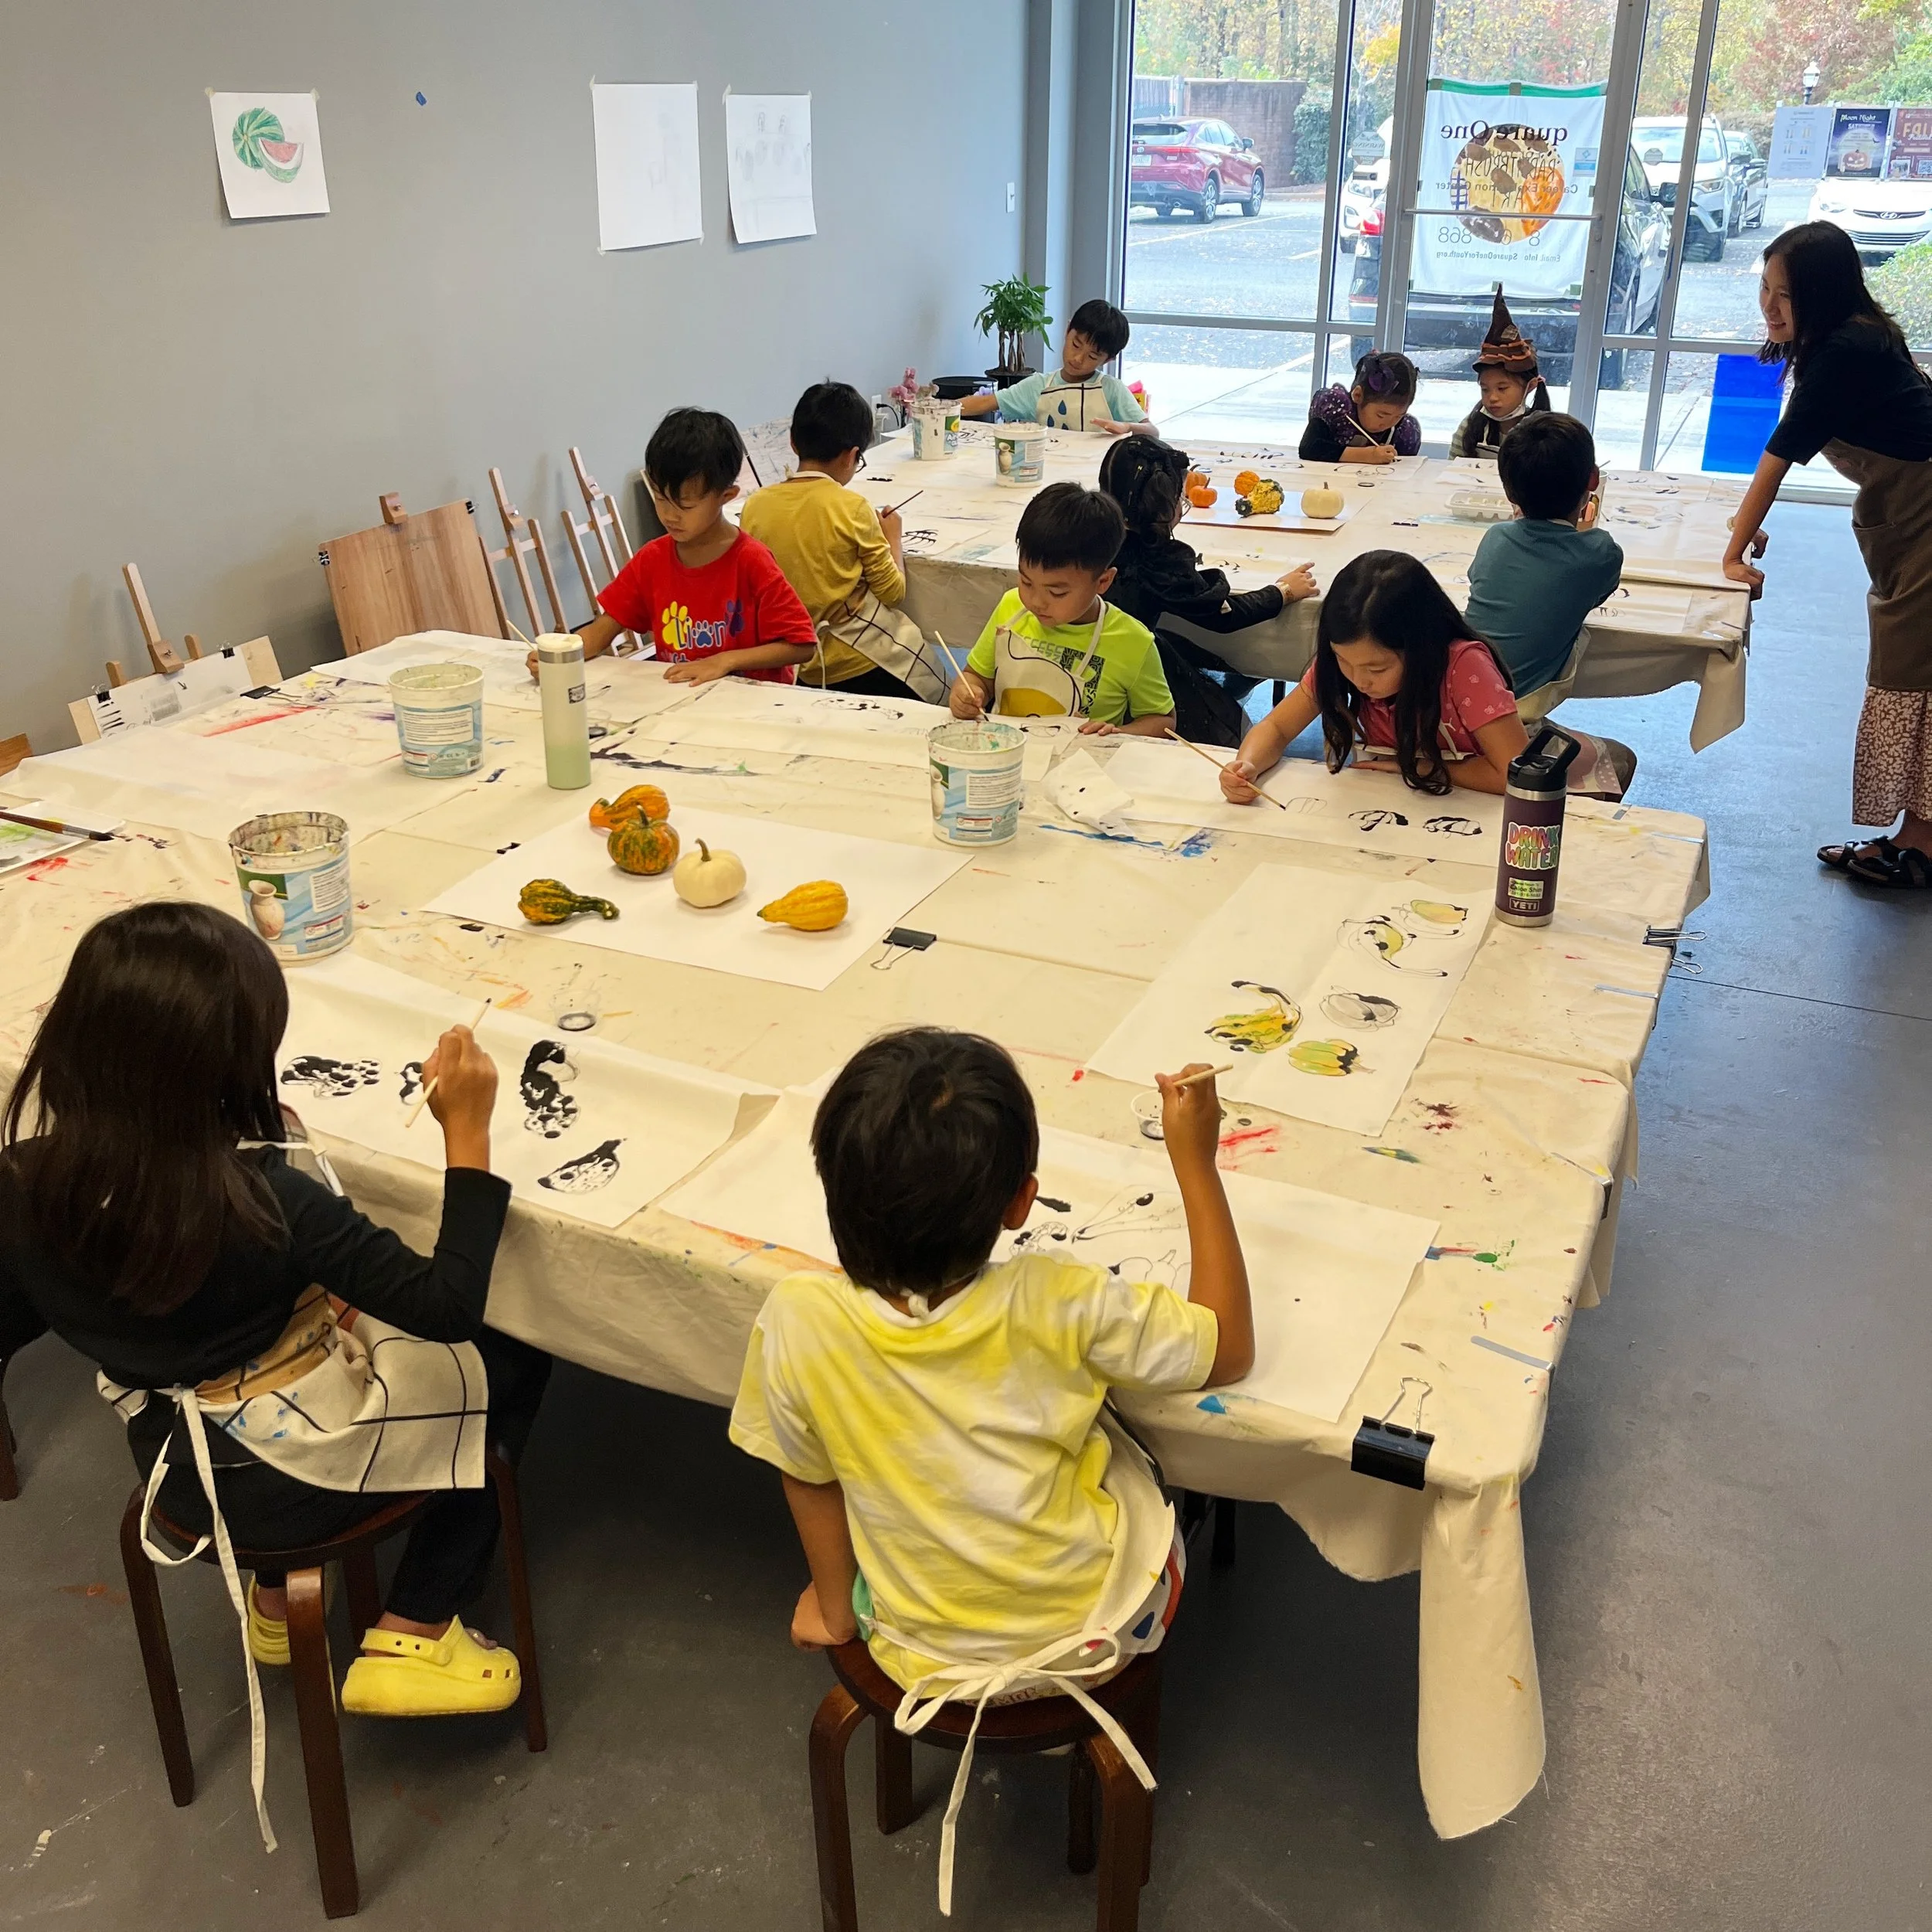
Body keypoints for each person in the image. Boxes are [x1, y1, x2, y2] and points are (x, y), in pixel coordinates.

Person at [0, 905, 550, 1834]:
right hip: (297, 1475)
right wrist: (467, 1129)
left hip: (175, 1467)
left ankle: (268, 1597)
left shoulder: (21, 1183)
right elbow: (450, 1306)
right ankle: (417, 1622)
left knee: (260, 1350)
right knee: (514, 1354)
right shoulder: (265, 1197)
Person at [730, 1028, 1250, 1906]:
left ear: (832, 1193)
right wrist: (1195, 1163)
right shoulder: (1060, 1298)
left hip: (914, 1648)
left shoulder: (796, 1319)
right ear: (1021, 1202)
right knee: (1152, 1471)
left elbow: (805, 1472)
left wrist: (832, 1608)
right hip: (1090, 1641)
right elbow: (1227, 1347)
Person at [1723, 221, 1932, 889]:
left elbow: (1780, 455)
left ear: (1824, 294)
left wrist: (1733, 552)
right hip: (1909, 511)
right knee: (1916, 670)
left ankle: (1918, 841)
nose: (1770, 307)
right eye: (1764, 288)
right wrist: (1739, 527)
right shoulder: (1839, 338)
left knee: (1908, 673)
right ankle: (1918, 836)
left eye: (1786, 295)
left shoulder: (1847, 346)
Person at [540, 407, 816, 684]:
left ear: (727, 496)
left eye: (685, 505)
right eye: (661, 498)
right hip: (682, 706)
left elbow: (802, 644)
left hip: (750, 711)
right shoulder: (652, 559)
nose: (670, 515)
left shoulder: (751, 560)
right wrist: (560, 655)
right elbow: (602, 631)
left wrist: (726, 660)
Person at [738, 382, 950, 703]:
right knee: (940, 690)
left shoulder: (755, 506)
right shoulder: (852, 508)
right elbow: (893, 593)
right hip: (859, 662)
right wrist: (893, 538)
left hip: (794, 665)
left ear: (793, 443)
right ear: (852, 456)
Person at [1098, 434, 1316, 747]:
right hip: (1126, 668)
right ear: (1167, 506)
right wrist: (1282, 591)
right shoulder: (1156, 558)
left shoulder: (1097, 532)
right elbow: (1222, 614)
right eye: (1180, 498)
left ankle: (1239, 679)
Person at [948, 481, 1176, 735]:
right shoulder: (1011, 606)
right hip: (1007, 752)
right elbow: (977, 677)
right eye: (1026, 581)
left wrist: (1119, 734)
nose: (1036, 601)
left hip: (1082, 766)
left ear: (1103, 581)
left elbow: (1163, 721)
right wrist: (967, 692)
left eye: (1057, 592)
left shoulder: (1133, 642)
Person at [1465, 413, 1625, 699]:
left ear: (1508, 491)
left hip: (1461, 691)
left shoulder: (1496, 538)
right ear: (1593, 479)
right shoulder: (1601, 553)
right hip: (1514, 711)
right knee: (1620, 749)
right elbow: (1593, 592)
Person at [958, 299, 1156, 437]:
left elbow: (1152, 431)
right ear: (1067, 330)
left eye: (1092, 356)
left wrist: (1127, 427)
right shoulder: (1039, 386)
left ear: (1108, 360)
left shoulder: (1112, 390)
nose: (1078, 359)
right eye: (1076, 345)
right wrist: (935, 407)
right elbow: (985, 403)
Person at [1449, 289, 1552, 459]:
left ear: (1530, 386)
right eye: (1485, 389)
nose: (1492, 398)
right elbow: (1451, 470)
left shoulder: (1546, 434)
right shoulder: (1471, 427)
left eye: (1502, 388)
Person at [1300, 351, 1422, 465]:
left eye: (1398, 416)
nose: (1388, 423)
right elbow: (1309, 447)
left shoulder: (1403, 430)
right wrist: (1368, 456)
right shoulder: (1337, 408)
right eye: (1381, 415)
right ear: (1358, 396)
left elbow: (1404, 469)